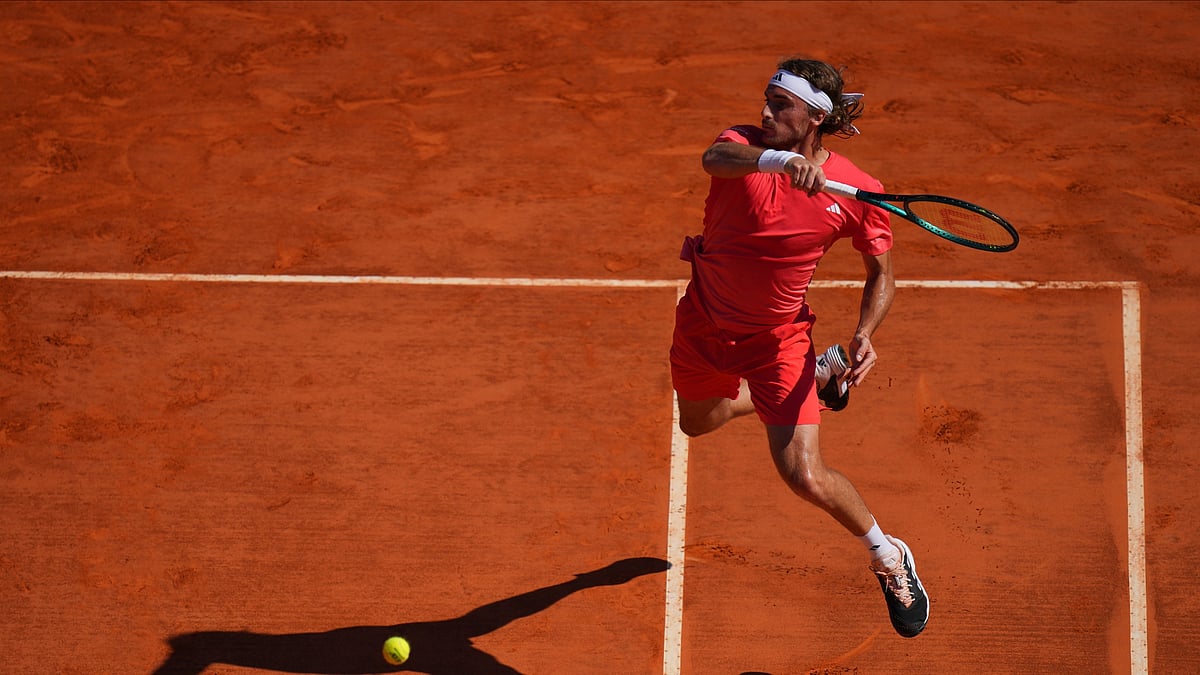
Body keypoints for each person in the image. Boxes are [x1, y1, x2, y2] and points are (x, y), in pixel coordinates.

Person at [669, 57, 929, 638]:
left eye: (779, 106)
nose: (765, 112)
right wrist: (778, 158)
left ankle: (888, 555)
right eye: (766, 99)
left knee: (803, 475)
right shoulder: (745, 147)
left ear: (815, 117)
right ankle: (817, 379)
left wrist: (865, 334)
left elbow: (881, 276)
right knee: (697, 424)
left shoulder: (859, 191)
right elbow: (715, 158)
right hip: (703, 326)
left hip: (777, 341)